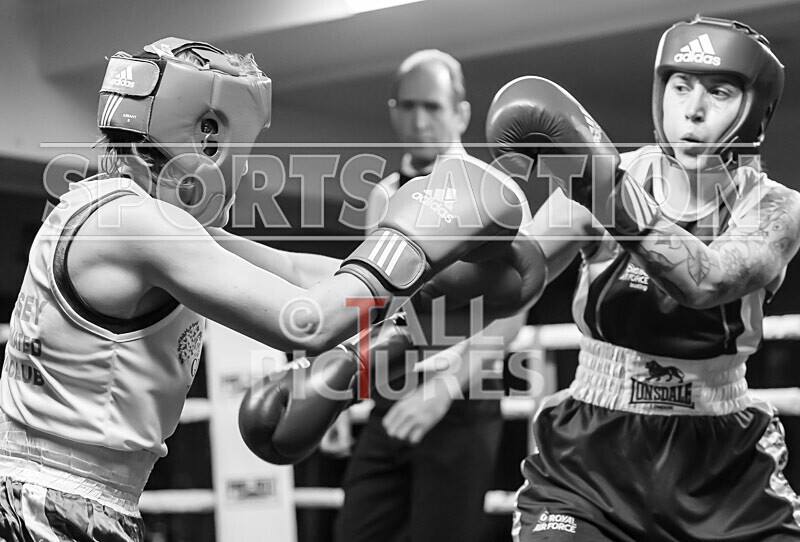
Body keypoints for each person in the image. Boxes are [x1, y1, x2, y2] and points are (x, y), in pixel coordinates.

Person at [0, 38, 530, 541]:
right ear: (207, 133)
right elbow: (305, 318)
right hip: (55, 509)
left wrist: (432, 290)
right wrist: (410, 240)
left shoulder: (120, 209)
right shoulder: (144, 225)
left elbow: (297, 272)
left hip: (59, 497)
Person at [485, 15, 800, 541]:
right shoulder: (602, 182)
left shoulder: (776, 209)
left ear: (754, 109)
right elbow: (514, 283)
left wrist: (603, 187)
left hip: (722, 469)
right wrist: (445, 241)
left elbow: (707, 280)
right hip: (590, 458)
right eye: (680, 88)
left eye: (718, 92)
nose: (692, 111)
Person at [333, 49, 528, 542]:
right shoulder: (383, 195)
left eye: (434, 107)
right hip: (389, 394)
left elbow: (511, 309)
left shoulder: (495, 195)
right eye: (409, 105)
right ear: (394, 110)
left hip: (460, 400)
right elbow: (372, 304)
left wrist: (441, 393)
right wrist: (335, 392)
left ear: (460, 113)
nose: (420, 120)